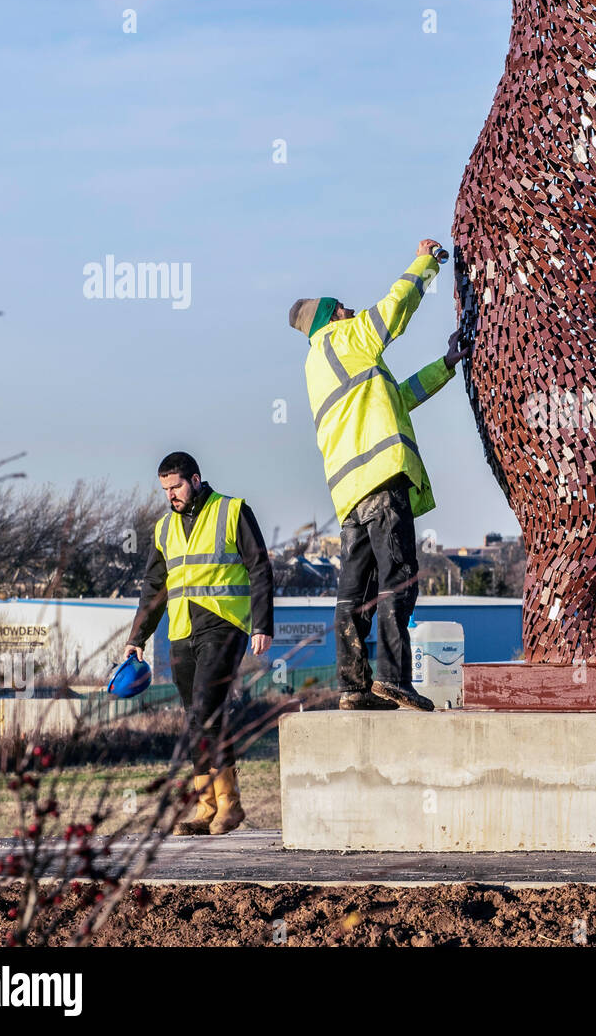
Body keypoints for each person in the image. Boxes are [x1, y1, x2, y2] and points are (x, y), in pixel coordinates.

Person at [288, 238, 468, 712]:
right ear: (332, 318)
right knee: (399, 577)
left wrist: (446, 365)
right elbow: (392, 311)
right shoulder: (342, 338)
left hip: (349, 496)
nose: (352, 312)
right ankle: (392, 678)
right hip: (383, 479)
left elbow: (399, 397)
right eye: (344, 309)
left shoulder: (322, 366)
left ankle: (354, 687)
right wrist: (426, 263)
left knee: (355, 593)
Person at [126, 452, 274, 833]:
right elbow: (154, 589)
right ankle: (206, 807)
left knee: (207, 709)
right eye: (165, 489)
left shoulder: (232, 510)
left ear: (195, 478)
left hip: (224, 624)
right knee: (195, 720)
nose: (170, 495)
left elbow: (259, 568)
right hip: (181, 631)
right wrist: (137, 637)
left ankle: (230, 803)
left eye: (175, 486)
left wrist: (262, 624)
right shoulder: (163, 529)